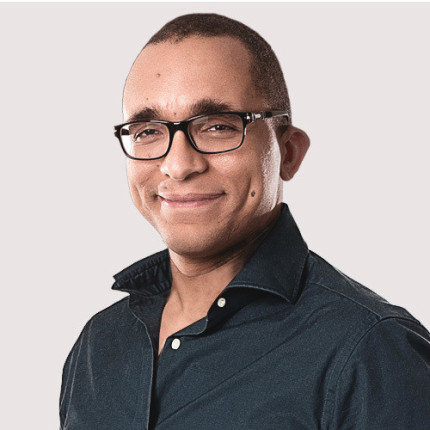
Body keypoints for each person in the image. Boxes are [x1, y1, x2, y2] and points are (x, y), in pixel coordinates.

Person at [59, 13, 430, 429]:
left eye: (218, 126)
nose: (178, 165)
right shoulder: (98, 345)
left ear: (288, 152)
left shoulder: (372, 351)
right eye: (148, 131)